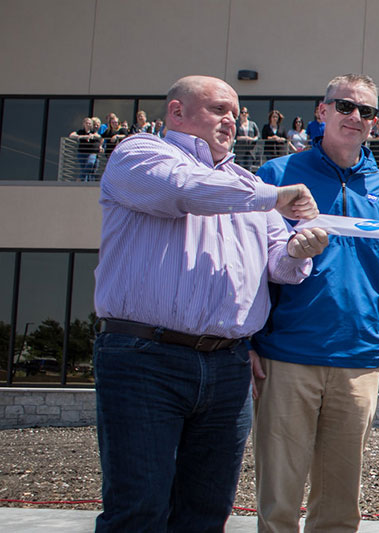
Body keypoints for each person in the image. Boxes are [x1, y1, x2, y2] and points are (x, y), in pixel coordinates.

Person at [93, 74, 326, 532]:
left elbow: (278, 263)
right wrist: (275, 197)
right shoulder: (139, 154)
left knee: (205, 513)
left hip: (227, 365)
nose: (231, 121)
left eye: (236, 113)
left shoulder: (248, 185)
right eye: (219, 109)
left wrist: (299, 251)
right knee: (138, 509)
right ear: (176, 111)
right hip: (145, 358)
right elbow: (185, 190)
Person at [250, 74, 379, 533]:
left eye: (367, 111)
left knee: (340, 511)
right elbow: (251, 268)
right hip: (287, 357)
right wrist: (247, 342)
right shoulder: (276, 178)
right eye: (345, 106)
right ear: (322, 112)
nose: (356, 117)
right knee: (278, 505)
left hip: (359, 360)